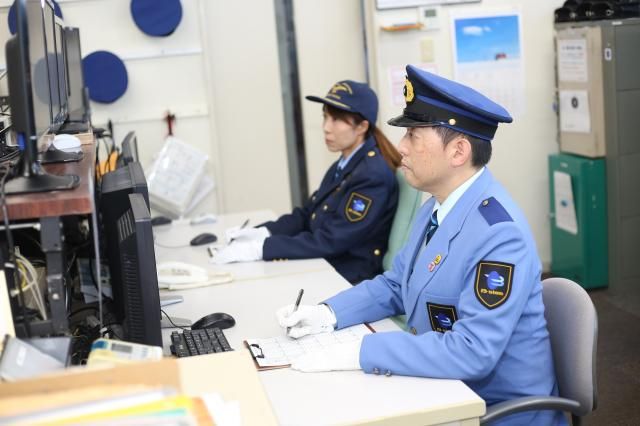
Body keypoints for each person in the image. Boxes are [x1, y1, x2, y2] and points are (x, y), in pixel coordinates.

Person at [276, 65, 566, 425]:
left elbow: (472, 351)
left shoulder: (499, 235)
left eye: (413, 135)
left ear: (458, 151)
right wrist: (328, 314)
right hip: (444, 388)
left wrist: (361, 351)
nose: (401, 147)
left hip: (495, 410)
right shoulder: (436, 205)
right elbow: (397, 284)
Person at [213, 80, 400, 284]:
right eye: (325, 117)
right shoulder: (345, 164)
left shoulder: (372, 174)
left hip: (346, 276)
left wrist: (262, 248)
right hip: (326, 263)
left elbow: (332, 240)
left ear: (362, 126)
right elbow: (307, 214)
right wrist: (263, 232)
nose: (326, 128)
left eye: (336, 119)